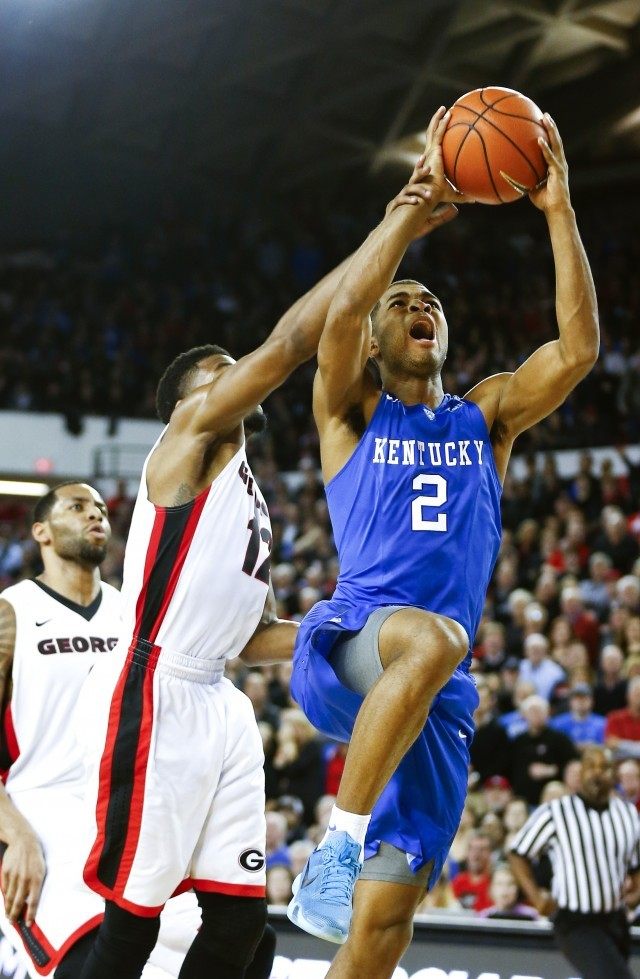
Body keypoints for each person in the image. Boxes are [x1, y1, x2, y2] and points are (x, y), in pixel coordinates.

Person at [288, 104, 599, 977]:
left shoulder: (486, 416)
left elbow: (577, 350)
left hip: (438, 694)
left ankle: (358, 869)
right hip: (355, 643)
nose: (419, 302)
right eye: (403, 302)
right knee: (435, 636)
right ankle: (335, 844)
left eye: (430, 300)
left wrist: (558, 208)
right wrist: (403, 218)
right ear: (381, 343)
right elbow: (343, 311)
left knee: (383, 931)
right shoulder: (351, 412)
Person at [76, 213, 406, 979]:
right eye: (219, 372)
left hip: (218, 698)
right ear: (191, 401)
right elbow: (291, 343)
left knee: (240, 921)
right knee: (133, 918)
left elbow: (249, 636)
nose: (234, 378)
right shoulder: (184, 446)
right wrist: (395, 227)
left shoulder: (247, 489)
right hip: (153, 688)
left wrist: (337, 623)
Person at [0, 483, 275, 979]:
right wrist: (15, 836)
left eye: (102, 509)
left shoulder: (136, 609)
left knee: (250, 939)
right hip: (42, 816)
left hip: (133, 801)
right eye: (77, 508)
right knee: (88, 953)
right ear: (39, 531)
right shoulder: (11, 611)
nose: (95, 517)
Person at [509, 747, 640, 979]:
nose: (597, 774)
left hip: (615, 920)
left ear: (614, 774)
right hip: (575, 921)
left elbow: (634, 865)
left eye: (604, 768)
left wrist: (636, 892)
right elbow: (518, 853)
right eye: (591, 767)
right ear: (581, 772)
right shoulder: (556, 812)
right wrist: (537, 896)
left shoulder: (628, 814)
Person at [509, 695, 578, 805]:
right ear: (524, 715)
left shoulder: (560, 739)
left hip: (555, 799)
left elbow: (573, 765)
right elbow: (511, 768)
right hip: (524, 799)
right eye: (532, 712)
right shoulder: (518, 741)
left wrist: (551, 770)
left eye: (539, 711)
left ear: (547, 714)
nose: (536, 715)